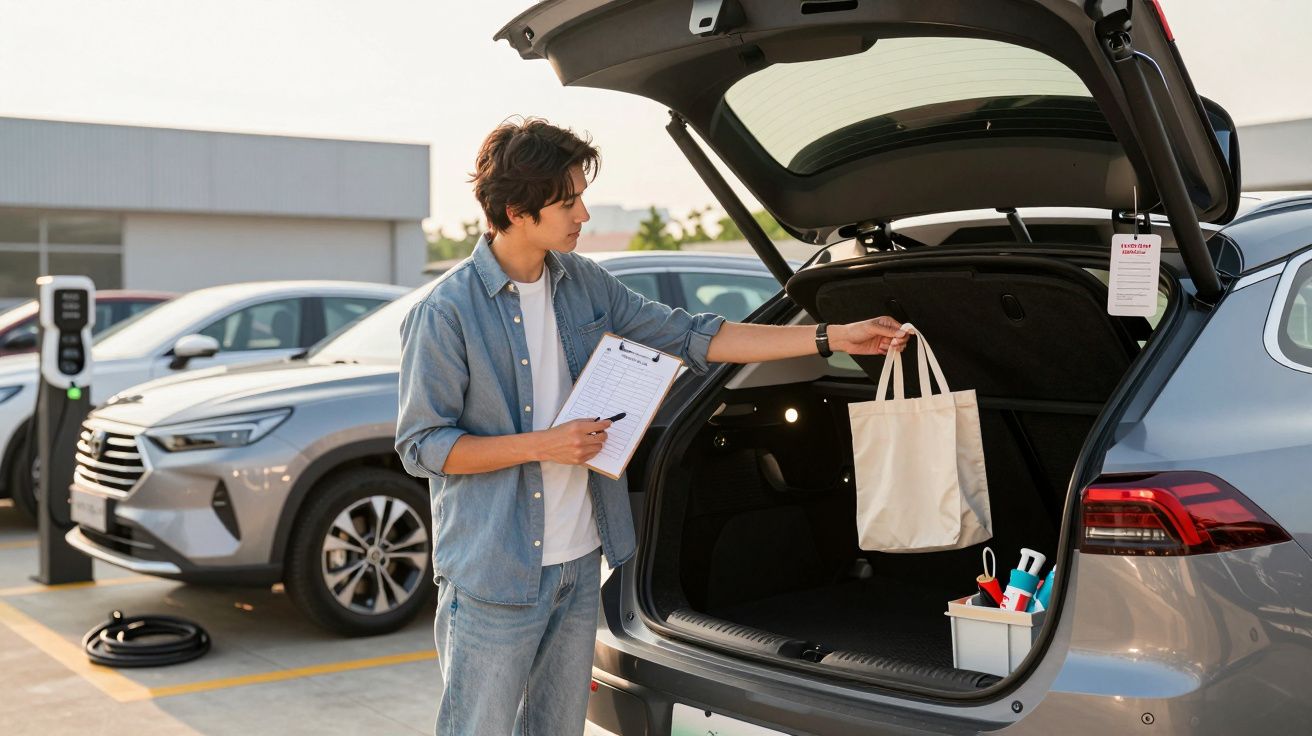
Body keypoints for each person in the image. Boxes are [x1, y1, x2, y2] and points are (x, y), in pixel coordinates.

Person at [395, 117, 907, 735]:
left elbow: (697, 335)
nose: (583, 213)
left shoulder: (582, 284)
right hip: (493, 576)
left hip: (580, 564)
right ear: (516, 210)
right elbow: (424, 447)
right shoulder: (445, 312)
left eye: (581, 195)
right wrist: (546, 446)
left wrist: (831, 336)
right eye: (568, 201)